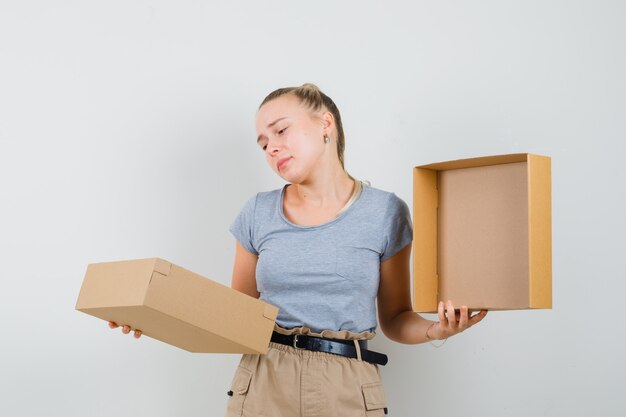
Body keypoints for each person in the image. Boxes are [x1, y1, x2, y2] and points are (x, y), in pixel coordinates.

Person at [110, 83, 487, 416]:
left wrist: (437, 331)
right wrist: (152, 315)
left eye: (281, 131)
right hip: (264, 379)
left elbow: (395, 317)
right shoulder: (257, 212)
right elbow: (230, 315)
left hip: (348, 385)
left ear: (326, 125)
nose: (272, 147)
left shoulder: (385, 212)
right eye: (263, 144)